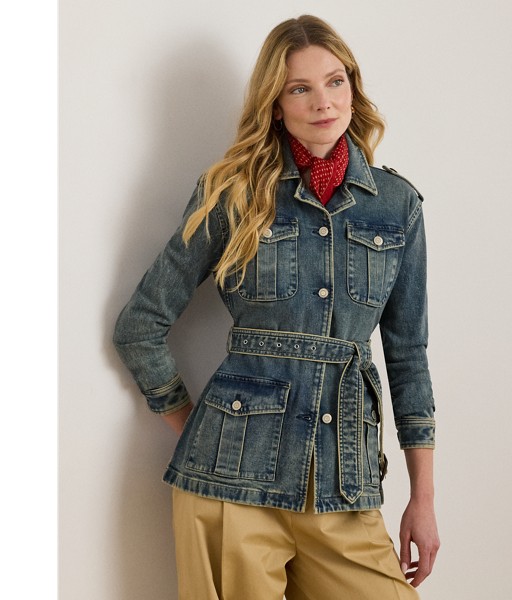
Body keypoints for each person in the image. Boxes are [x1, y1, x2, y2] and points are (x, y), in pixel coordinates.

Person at [114, 14, 439, 600]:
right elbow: (140, 326)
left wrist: (424, 498)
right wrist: (194, 430)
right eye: (300, 88)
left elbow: (408, 357)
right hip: (229, 480)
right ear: (275, 104)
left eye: (335, 81)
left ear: (353, 87)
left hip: (343, 484)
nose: (323, 102)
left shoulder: (397, 205)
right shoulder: (233, 192)